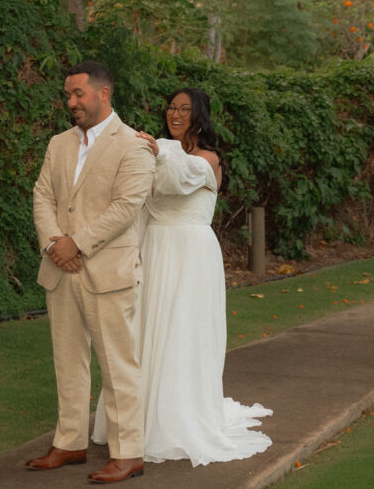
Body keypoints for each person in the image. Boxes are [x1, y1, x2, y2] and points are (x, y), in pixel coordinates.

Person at [93, 87, 272, 466]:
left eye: (184, 109)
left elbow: (176, 180)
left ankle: (175, 421)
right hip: (154, 249)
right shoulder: (160, 146)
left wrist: (156, 154)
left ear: (199, 116)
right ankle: (131, 420)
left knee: (182, 331)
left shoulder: (208, 160)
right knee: (142, 330)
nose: (175, 114)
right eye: (172, 108)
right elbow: (139, 190)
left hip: (190, 252)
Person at [28, 61, 156, 484]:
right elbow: (42, 195)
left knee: (119, 366)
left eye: (78, 94)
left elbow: (126, 206)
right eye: (68, 95)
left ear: (104, 94)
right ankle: (69, 443)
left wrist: (75, 244)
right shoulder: (58, 143)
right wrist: (53, 244)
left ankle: (128, 453)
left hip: (107, 272)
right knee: (67, 361)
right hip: (60, 269)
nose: (70, 102)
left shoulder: (134, 146)